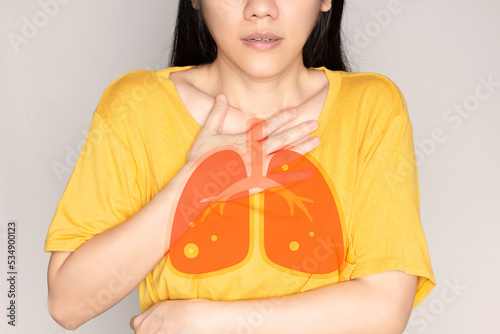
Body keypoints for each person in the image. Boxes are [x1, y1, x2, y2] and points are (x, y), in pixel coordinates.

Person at [44, 0, 436, 333]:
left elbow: (385, 307)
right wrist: (195, 184)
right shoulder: (136, 107)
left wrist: (208, 321)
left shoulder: (370, 108)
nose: (260, 9)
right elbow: (69, 302)